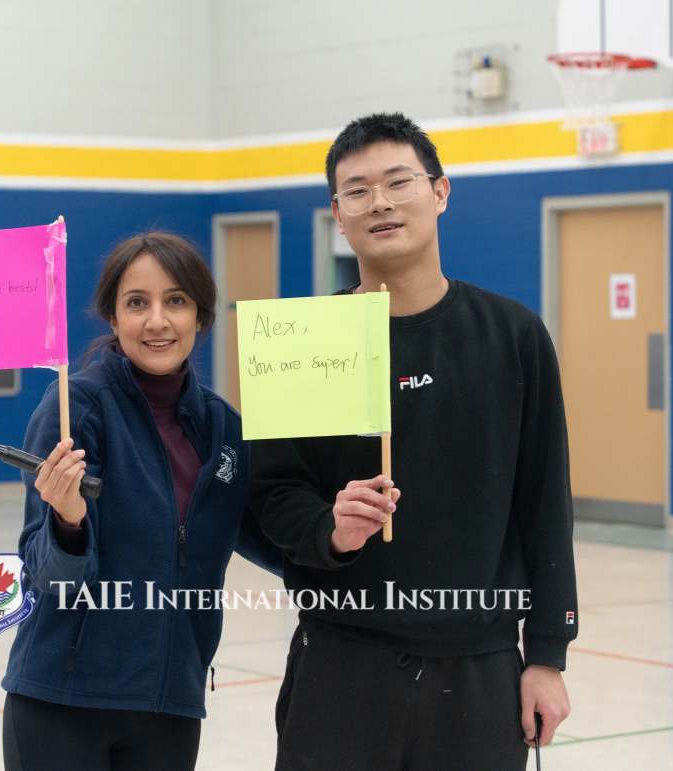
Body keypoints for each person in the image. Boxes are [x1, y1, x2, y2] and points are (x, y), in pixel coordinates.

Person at [250, 113, 578, 770]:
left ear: (439, 192)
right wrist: (329, 528)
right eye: (357, 189)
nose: (380, 202)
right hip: (340, 662)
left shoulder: (511, 334)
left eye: (398, 181)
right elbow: (270, 494)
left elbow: (544, 503)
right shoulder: (304, 342)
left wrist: (546, 654)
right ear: (336, 214)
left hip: (477, 665)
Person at [1, 231, 281, 771]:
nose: (157, 321)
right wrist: (69, 523)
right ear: (113, 318)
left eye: (175, 301)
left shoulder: (223, 426)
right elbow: (47, 577)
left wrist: (335, 533)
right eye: (137, 303)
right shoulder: (75, 410)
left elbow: (263, 536)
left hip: (170, 702)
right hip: (64, 699)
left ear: (201, 316)